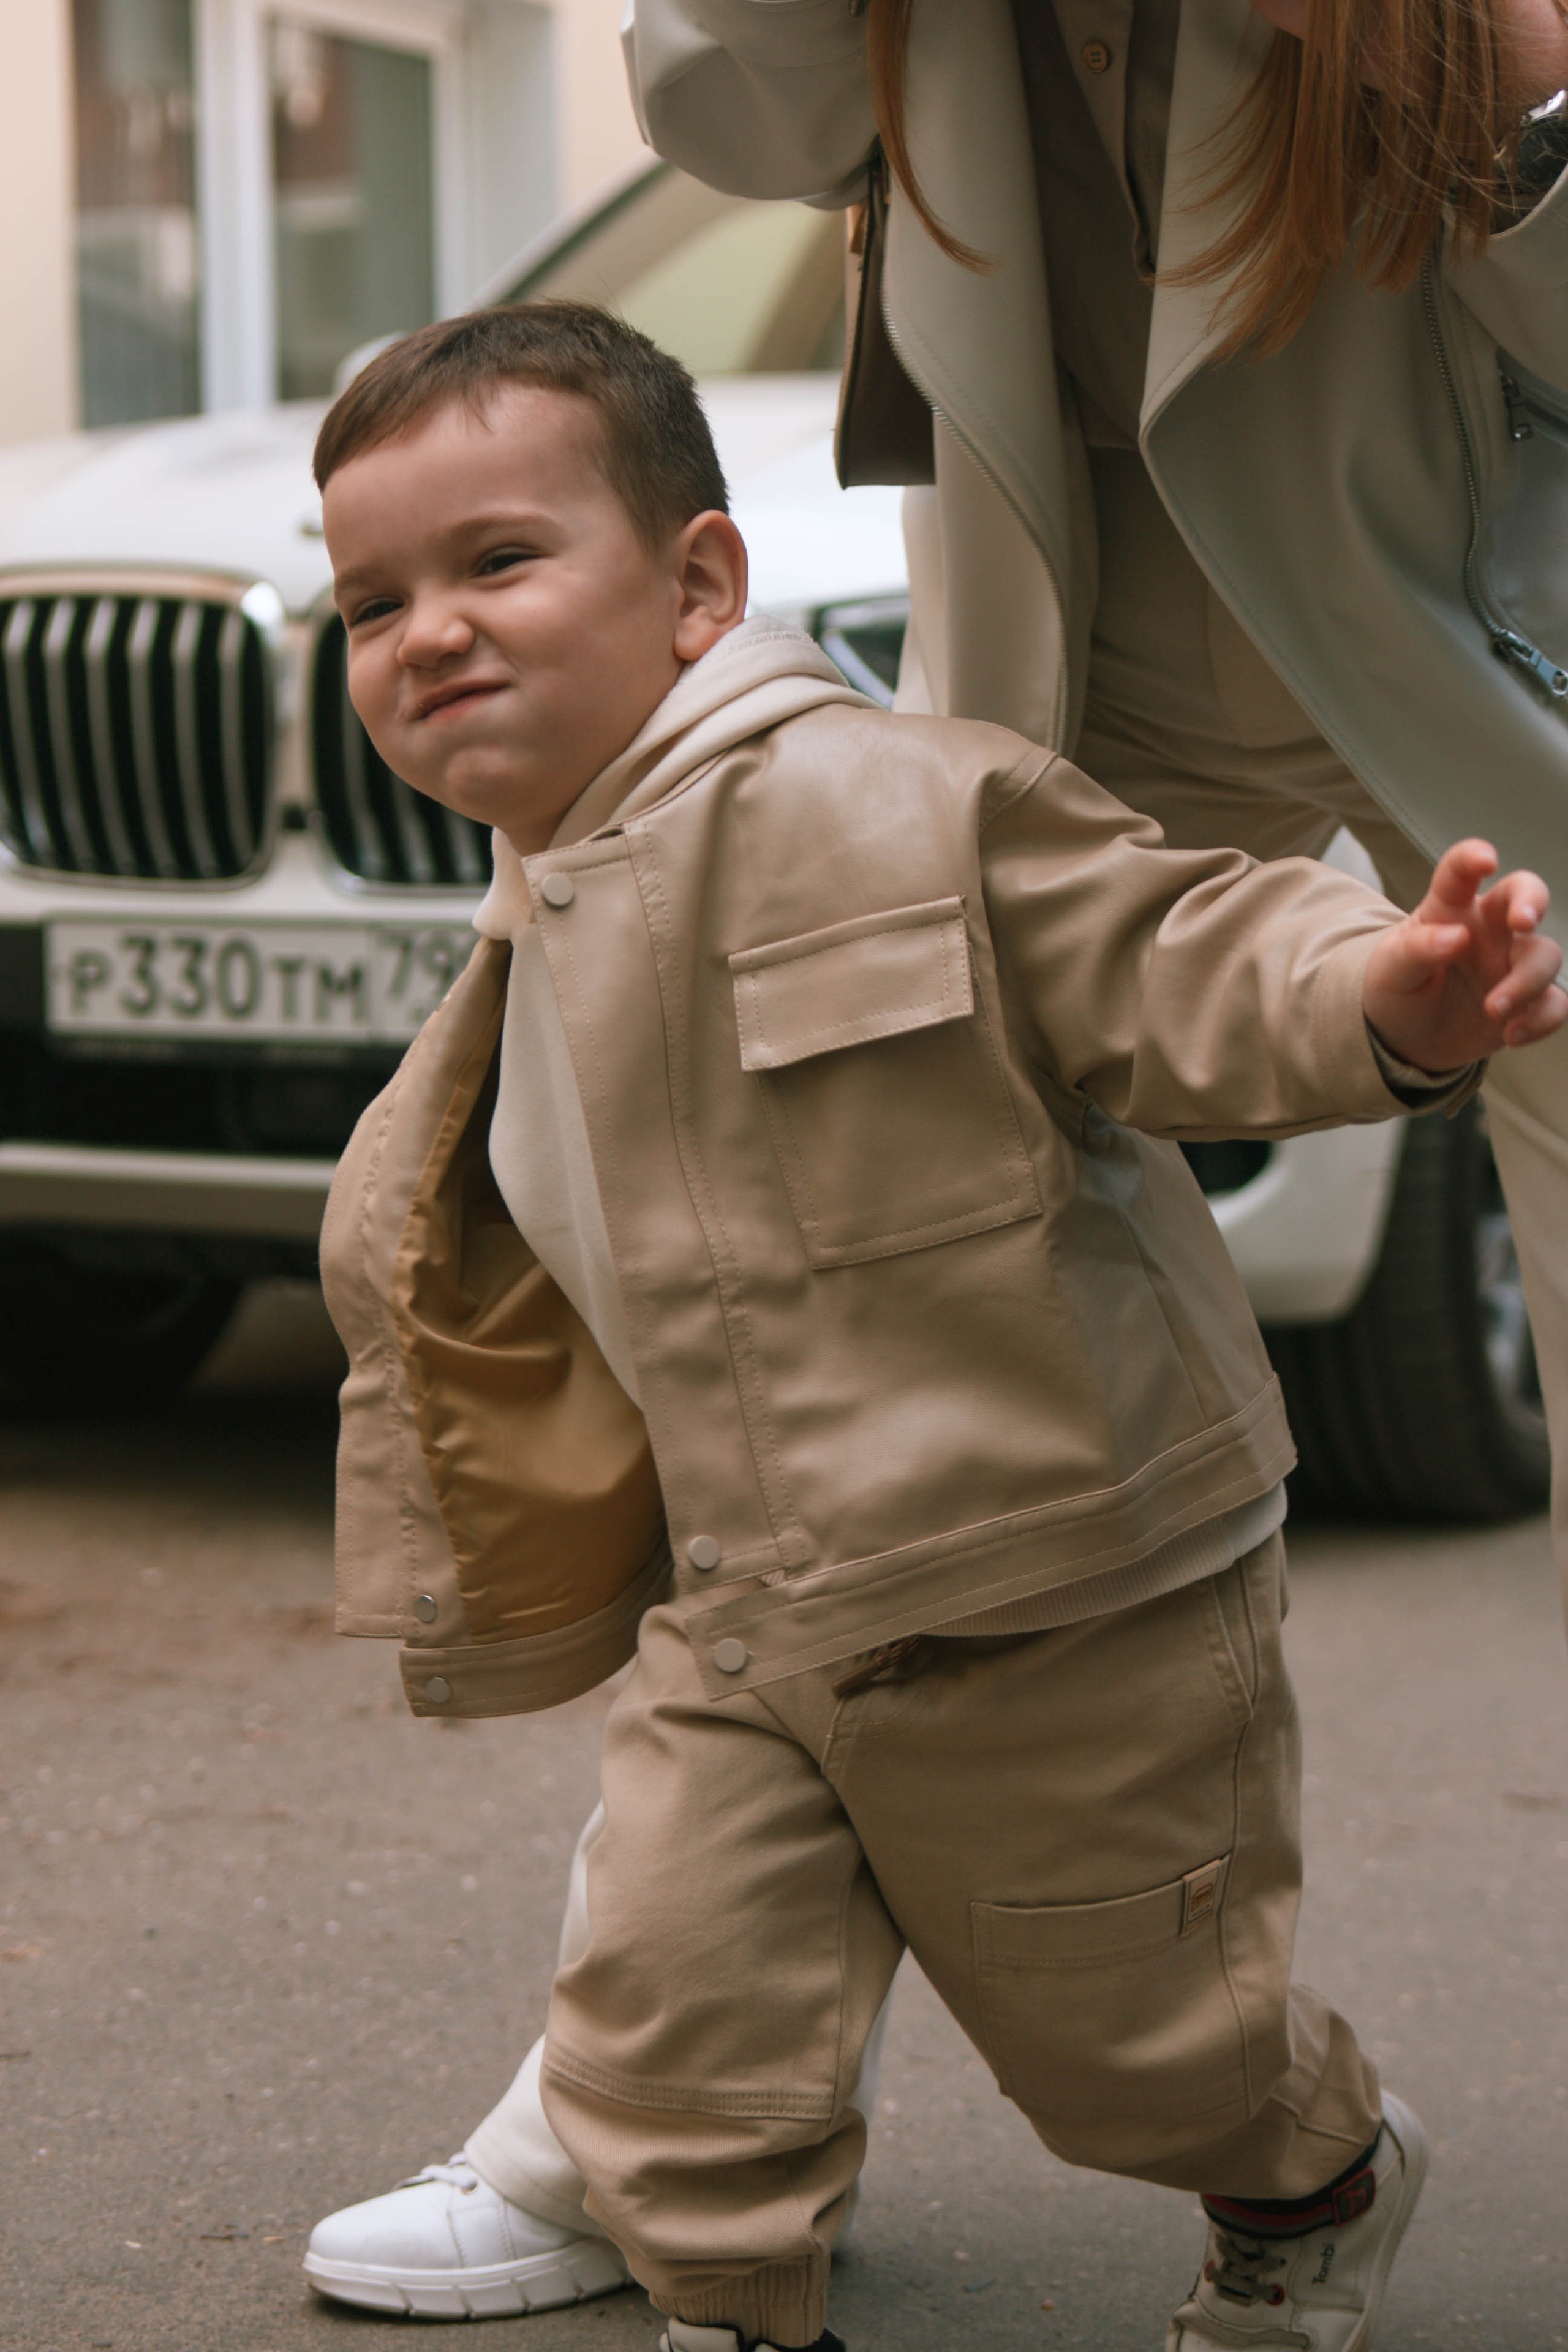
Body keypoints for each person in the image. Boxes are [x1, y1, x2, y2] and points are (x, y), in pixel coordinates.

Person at [308, 0, 1568, 2319]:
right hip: (1092, 569)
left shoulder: (874, 791)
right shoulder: (653, 821)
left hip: (1501, 577)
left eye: (478, 571)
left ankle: (1283, 2162)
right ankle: (648, 2119)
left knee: (1154, 2036)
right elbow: (737, 108)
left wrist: (1382, 1008)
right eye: (377, 603)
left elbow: (1166, 954)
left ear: (695, 585)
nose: (423, 639)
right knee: (698, 1968)